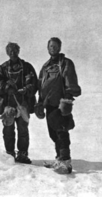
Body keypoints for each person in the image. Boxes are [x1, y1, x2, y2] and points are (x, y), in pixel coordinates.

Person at [37, 37, 81, 174]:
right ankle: (59, 159)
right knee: (53, 133)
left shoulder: (66, 63)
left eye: (55, 46)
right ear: (47, 48)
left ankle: (66, 162)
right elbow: (41, 85)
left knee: (62, 132)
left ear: (60, 47)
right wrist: (40, 102)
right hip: (49, 105)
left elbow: (70, 81)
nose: (53, 48)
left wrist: (67, 99)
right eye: (50, 46)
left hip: (60, 104)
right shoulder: (45, 66)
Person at [0, 42, 38, 164]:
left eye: (15, 50)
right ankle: (10, 154)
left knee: (23, 130)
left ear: (18, 51)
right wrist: (6, 87)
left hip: (23, 104)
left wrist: (26, 89)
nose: (13, 53)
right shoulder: (2, 68)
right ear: (7, 53)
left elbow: (34, 83)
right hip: (7, 105)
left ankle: (22, 154)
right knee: (8, 130)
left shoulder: (27, 67)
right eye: (10, 51)